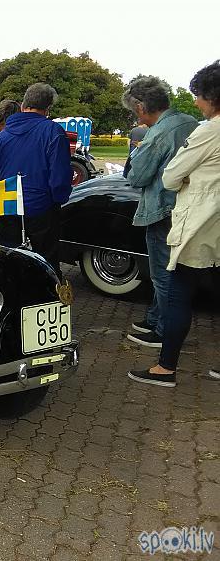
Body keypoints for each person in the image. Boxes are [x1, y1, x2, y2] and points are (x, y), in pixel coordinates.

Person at [128, 62, 220, 387]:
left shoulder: (207, 129)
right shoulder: (190, 123)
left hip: (192, 222)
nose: (196, 101)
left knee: (174, 288)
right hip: (214, 223)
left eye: (199, 95)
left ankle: (165, 367)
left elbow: (166, 177)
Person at [123, 77, 199, 348]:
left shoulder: (159, 133)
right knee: (170, 270)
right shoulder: (190, 122)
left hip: (162, 209)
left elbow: (137, 176)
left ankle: (165, 331)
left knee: (164, 273)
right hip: (187, 207)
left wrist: (137, 155)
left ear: (141, 107)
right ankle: (156, 318)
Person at [0, 83, 71, 275]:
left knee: (10, 262)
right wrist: (58, 199)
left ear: (23, 105)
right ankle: (46, 301)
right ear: (47, 109)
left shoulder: (1, 137)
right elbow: (60, 177)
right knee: (46, 264)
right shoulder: (53, 132)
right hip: (42, 209)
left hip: (8, 209)